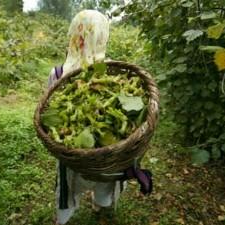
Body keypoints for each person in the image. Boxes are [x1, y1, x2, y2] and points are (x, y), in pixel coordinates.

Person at [47, 10, 152, 225]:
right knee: (104, 183)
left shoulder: (57, 73)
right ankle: (99, 204)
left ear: (75, 35)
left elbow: (48, 112)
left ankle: (63, 218)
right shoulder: (112, 70)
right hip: (107, 159)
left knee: (69, 188)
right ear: (103, 36)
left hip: (72, 157)